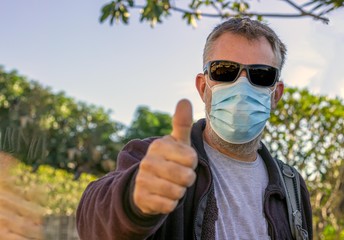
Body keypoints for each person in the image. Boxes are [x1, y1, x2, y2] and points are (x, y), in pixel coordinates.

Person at [76, 17, 313, 240]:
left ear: (276, 94)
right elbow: (92, 220)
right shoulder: (154, 159)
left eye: (261, 75)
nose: (242, 86)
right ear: (203, 86)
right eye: (224, 71)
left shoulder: (291, 187)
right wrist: (132, 201)